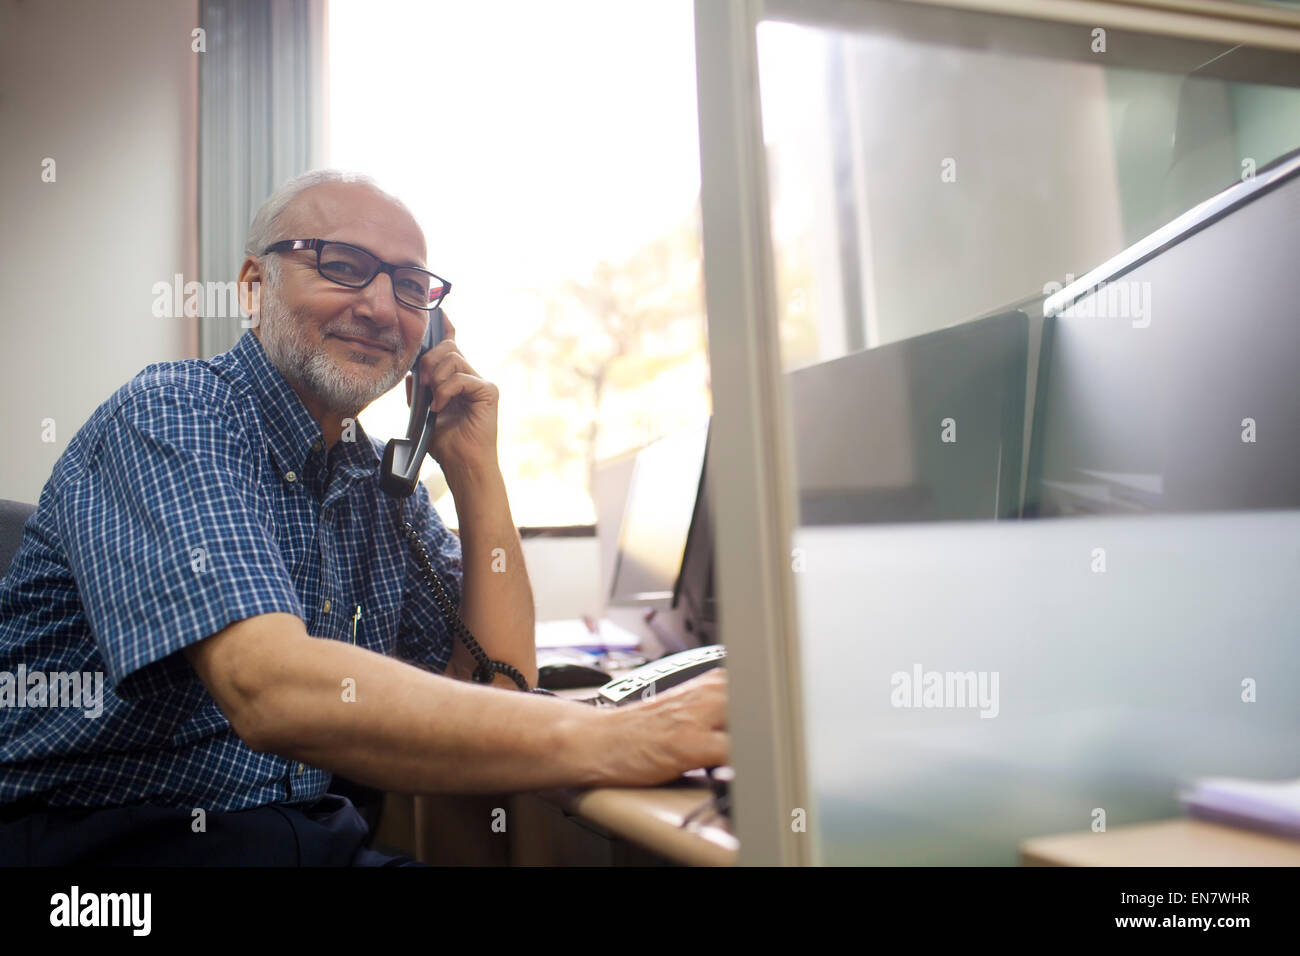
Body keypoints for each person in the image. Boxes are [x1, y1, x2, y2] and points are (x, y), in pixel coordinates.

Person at [0, 169, 728, 865]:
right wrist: (620, 735)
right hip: (104, 844)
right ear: (255, 288)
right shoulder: (174, 415)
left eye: (410, 287)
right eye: (343, 265)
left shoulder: (382, 482)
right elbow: (269, 691)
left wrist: (475, 470)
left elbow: (498, 690)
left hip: (300, 839)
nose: (382, 308)